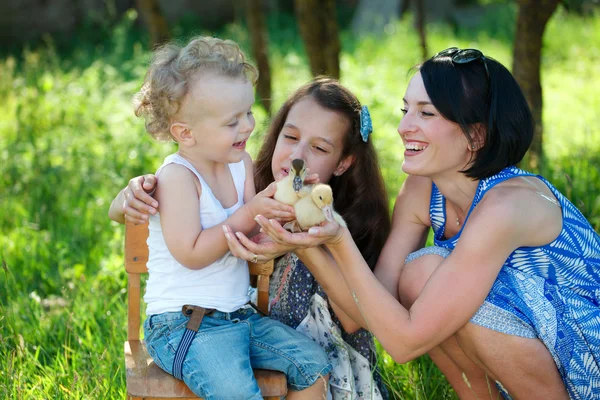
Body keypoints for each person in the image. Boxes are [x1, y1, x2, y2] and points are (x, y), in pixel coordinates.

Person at [251, 47, 600, 400]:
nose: (404, 127)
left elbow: (404, 343)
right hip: (534, 343)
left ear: (475, 135)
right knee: (419, 274)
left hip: (587, 359)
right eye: (406, 110)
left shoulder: (508, 204)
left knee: (427, 273)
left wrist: (339, 239)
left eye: (426, 113)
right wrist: (305, 242)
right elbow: (362, 314)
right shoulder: (422, 190)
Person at [109, 78, 391, 399]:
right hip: (187, 323)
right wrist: (124, 198)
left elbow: (251, 232)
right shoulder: (230, 177)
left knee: (312, 364)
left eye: (319, 148)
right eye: (291, 137)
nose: (297, 157)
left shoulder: (338, 222)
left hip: (240, 319)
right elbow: (206, 237)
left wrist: (294, 238)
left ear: (344, 162)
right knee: (238, 391)